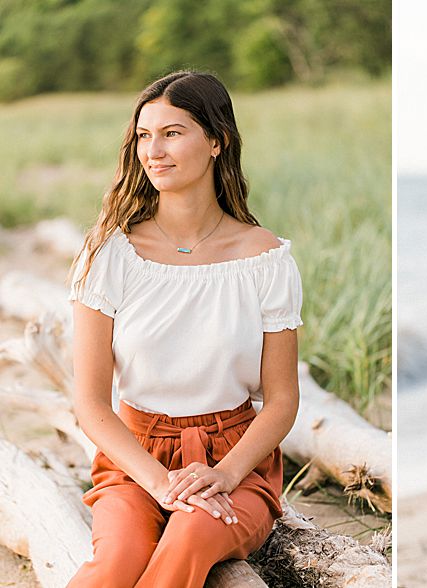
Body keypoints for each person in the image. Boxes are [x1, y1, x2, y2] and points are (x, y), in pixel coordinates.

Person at [65, 70, 303, 588]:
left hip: (236, 458)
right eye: (144, 136)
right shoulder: (110, 254)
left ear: (216, 141)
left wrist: (225, 473)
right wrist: (161, 482)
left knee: (188, 540)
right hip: (135, 456)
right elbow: (89, 401)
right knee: (116, 564)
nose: (154, 151)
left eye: (172, 133)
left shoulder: (264, 259)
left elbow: (282, 399)